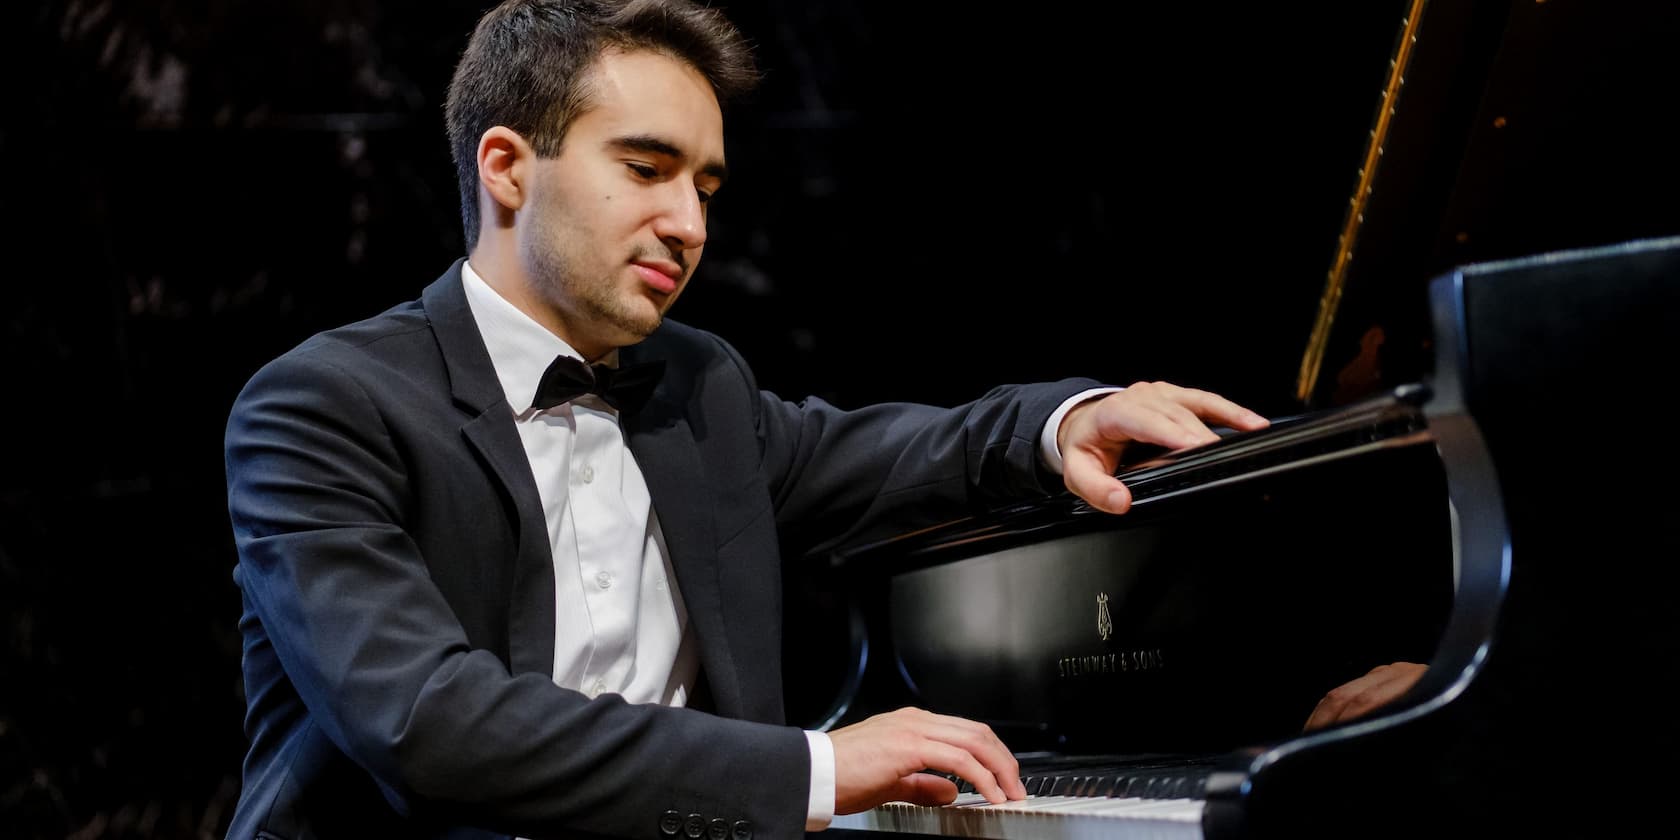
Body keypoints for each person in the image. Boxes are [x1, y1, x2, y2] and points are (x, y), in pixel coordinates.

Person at [221, 1, 1271, 838]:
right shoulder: (320, 407)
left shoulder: (699, 386)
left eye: (707, 187)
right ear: (506, 167)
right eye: (645, 169)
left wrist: (1064, 422)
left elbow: (885, 452)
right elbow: (428, 724)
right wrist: (819, 765)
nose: (689, 225)